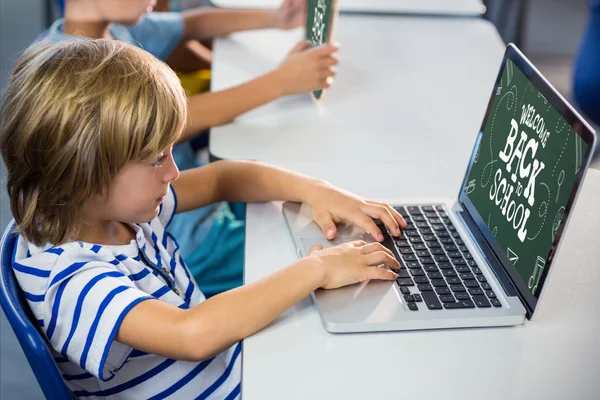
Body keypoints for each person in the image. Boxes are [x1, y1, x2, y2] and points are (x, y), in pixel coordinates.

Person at [0, 39, 404, 398]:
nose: (173, 172)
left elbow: (225, 178)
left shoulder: (113, 211)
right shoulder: (72, 280)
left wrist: (316, 190)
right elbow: (192, 334)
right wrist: (316, 269)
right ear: (85, 176)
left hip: (235, 369)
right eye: (157, 158)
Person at [49, 0, 338, 296]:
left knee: (308, 201)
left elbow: (192, 23)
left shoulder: (117, 29)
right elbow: (180, 120)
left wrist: (276, 17)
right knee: (315, 248)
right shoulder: (69, 75)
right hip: (187, 238)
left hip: (192, 198)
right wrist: (280, 81)